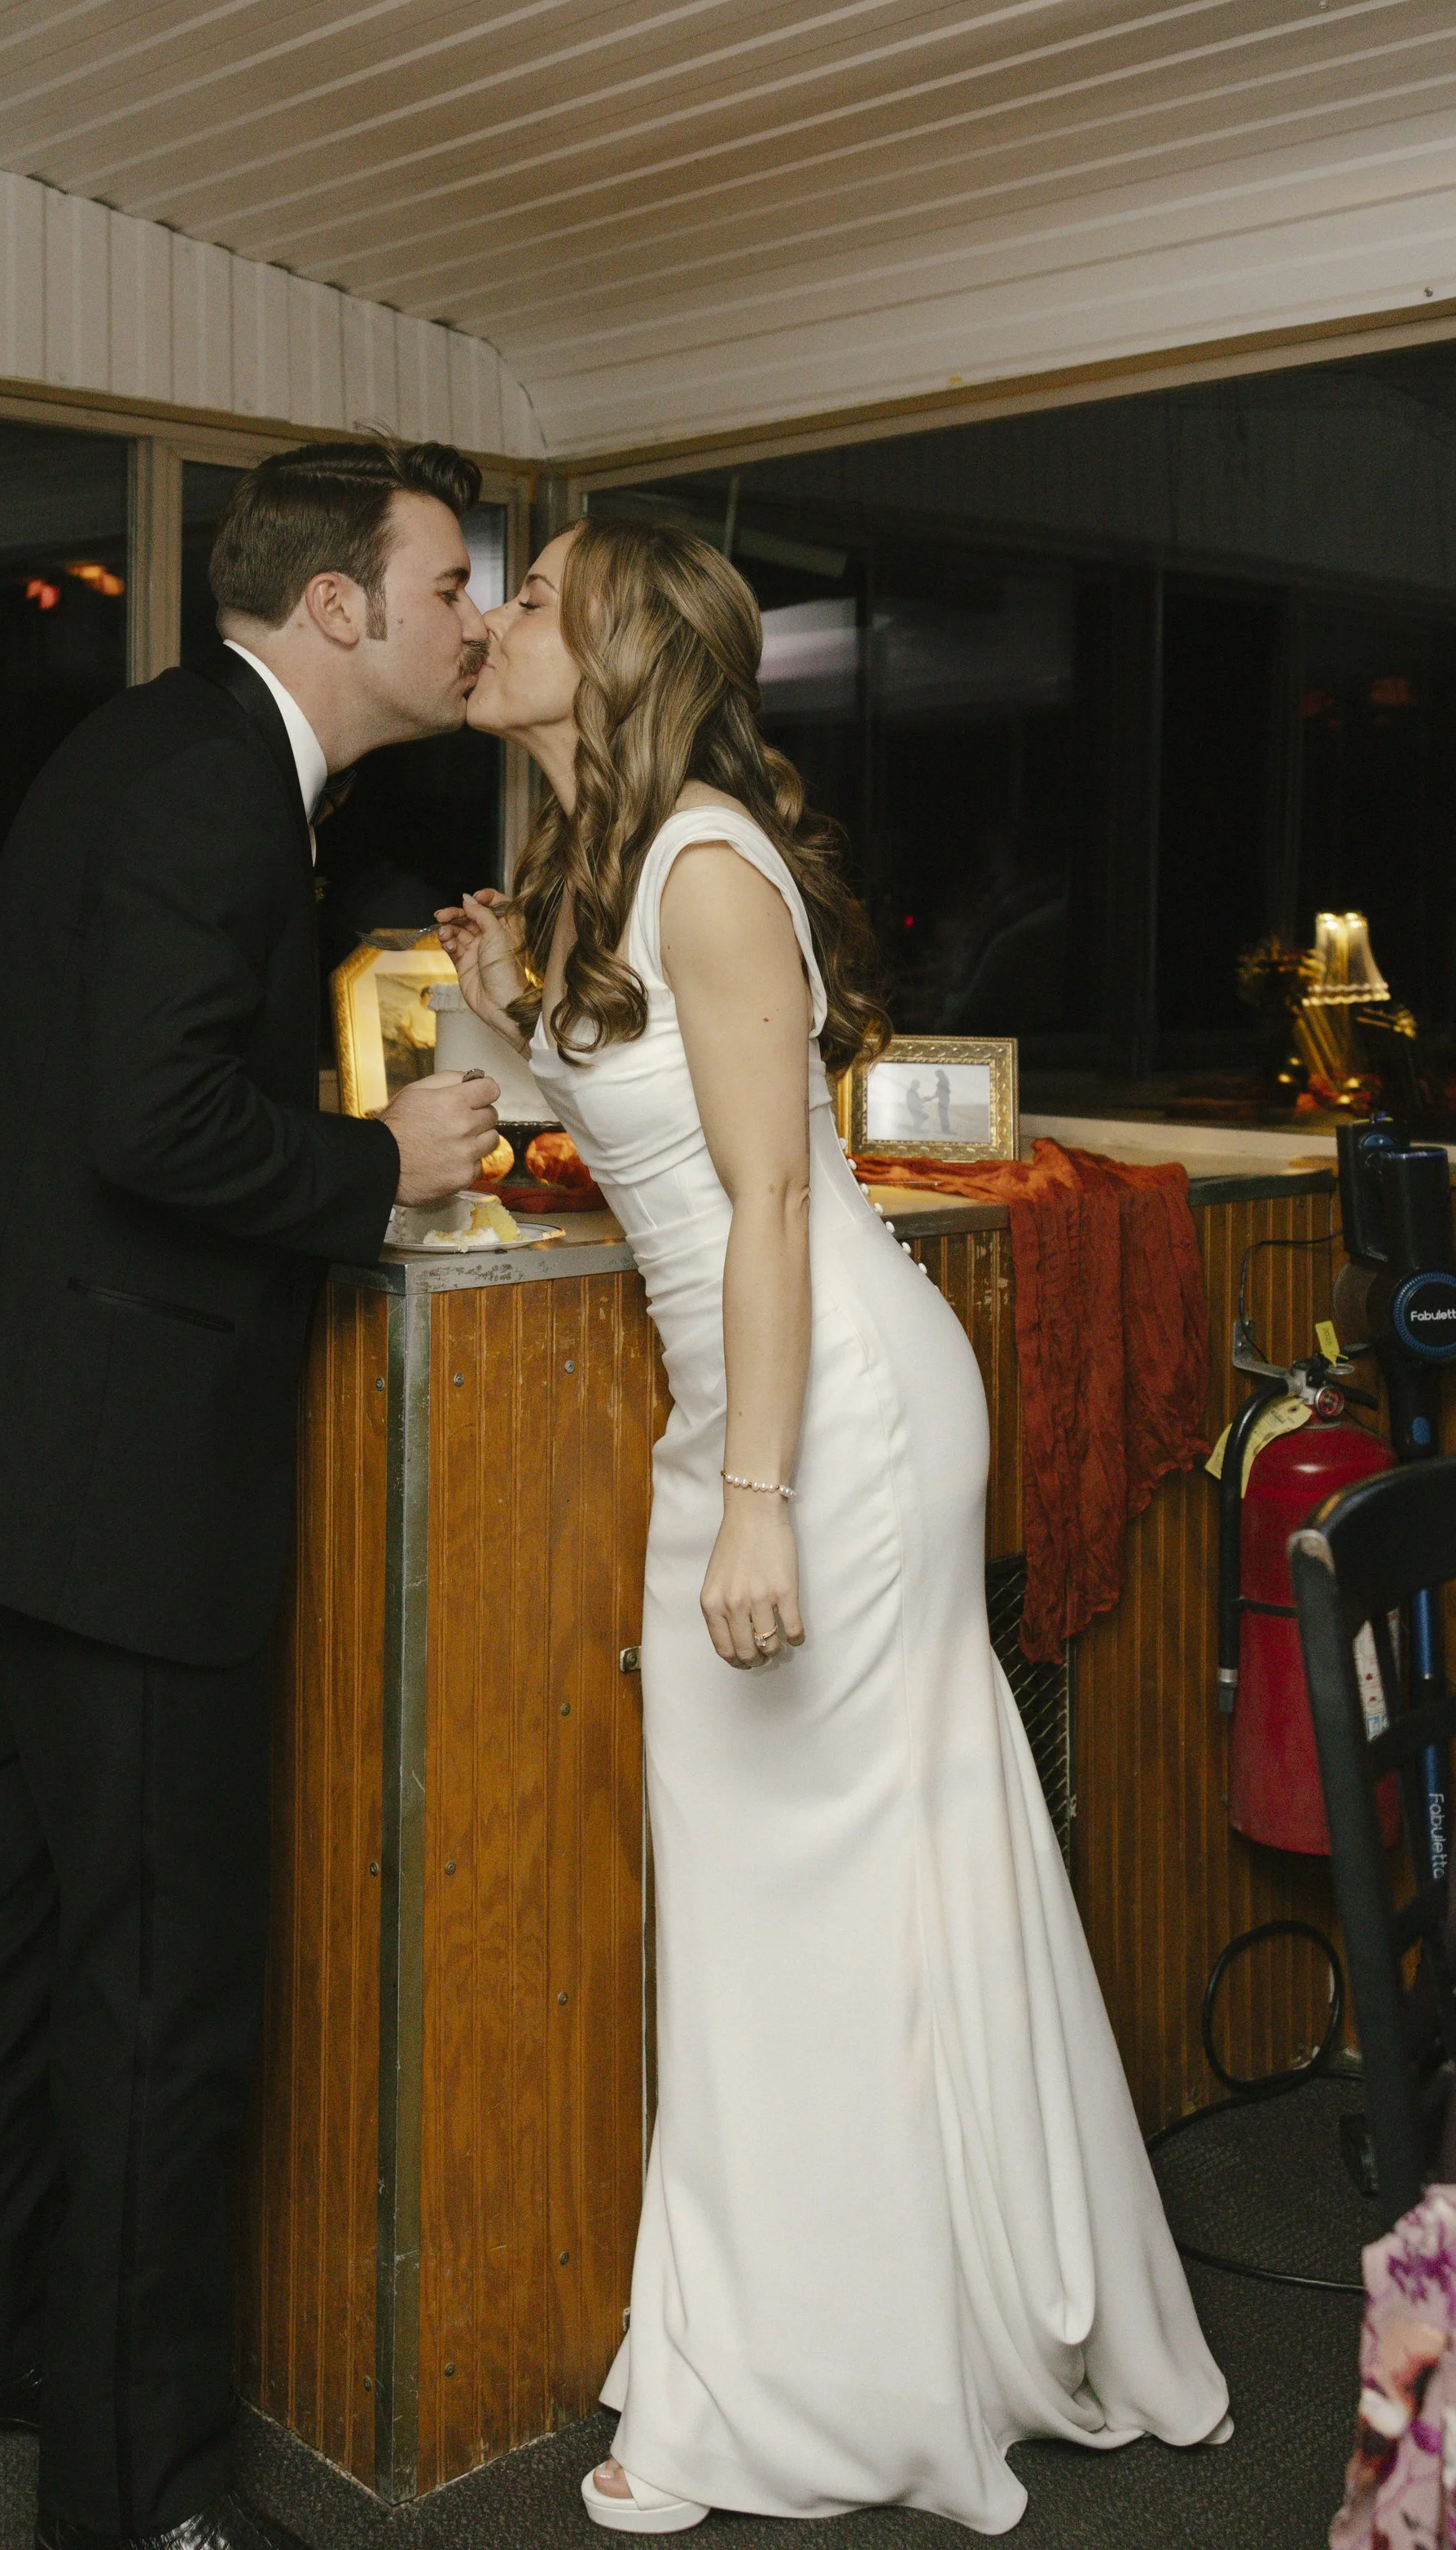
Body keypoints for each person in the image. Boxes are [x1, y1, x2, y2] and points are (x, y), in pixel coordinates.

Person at [437, 516, 1229, 2536]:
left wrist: (762, 1497)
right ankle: (855, 2325)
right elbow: (670, 1146)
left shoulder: (699, 864)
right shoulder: (611, 869)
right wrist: (506, 1013)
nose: (497, 615)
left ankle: (793, 2383)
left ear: (610, 658)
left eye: (529, 599)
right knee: (810, 1883)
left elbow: (774, 1201)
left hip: (828, 1421)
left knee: (786, 1887)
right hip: (764, 1401)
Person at [0, 438, 502, 2550]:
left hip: (23, 1441)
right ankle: (144, 2501)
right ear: (337, 605)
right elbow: (154, 1121)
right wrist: (373, 1166)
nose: (467, 618)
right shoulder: (222, 784)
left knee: (28, 1918)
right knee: (164, 2000)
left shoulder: (164, 745)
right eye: (442, 585)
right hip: (117, 1475)